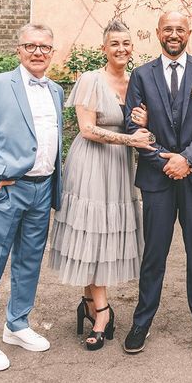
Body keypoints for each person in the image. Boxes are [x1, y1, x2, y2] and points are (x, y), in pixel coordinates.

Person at [47, 20, 155, 351]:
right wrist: (130, 139)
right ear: (103, 49)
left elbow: (145, 124)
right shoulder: (90, 80)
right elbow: (87, 129)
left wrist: (145, 125)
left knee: (106, 233)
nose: (121, 49)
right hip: (92, 162)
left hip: (120, 167)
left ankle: (88, 302)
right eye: (114, 44)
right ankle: (103, 311)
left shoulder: (136, 82)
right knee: (92, 232)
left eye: (126, 43)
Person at [122, 11, 192, 354]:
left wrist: (187, 159)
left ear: (189, 33)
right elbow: (132, 126)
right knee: (154, 252)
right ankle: (142, 322)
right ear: (158, 33)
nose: (173, 34)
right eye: (168, 29)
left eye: (179, 29)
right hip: (158, 177)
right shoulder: (141, 75)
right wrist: (164, 160)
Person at [0, 23, 64, 371]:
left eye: (45, 47)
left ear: (52, 52)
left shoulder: (56, 91)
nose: (38, 52)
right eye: (31, 46)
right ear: (18, 50)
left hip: (43, 188)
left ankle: (17, 324)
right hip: (7, 190)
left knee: (29, 262)